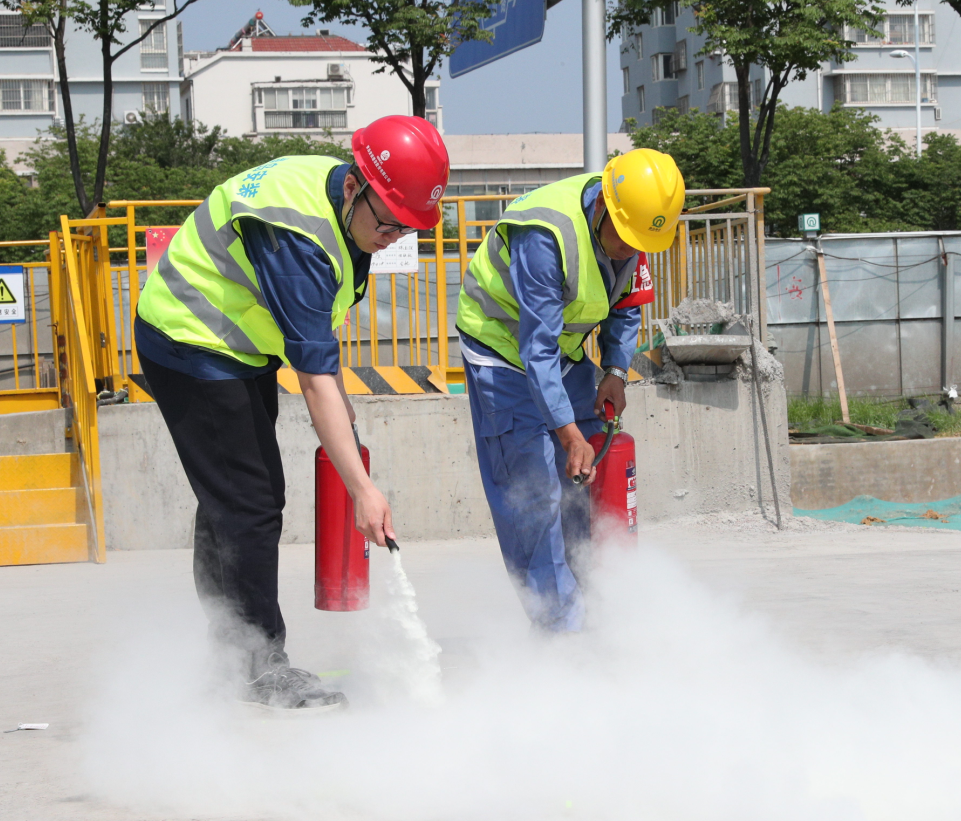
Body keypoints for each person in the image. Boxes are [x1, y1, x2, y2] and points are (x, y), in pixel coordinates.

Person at [134, 115, 450, 711]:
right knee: (251, 503)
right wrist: (362, 490)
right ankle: (257, 668)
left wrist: (342, 410)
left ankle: (229, 656)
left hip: (240, 343)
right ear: (355, 186)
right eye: (388, 224)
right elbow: (312, 379)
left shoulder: (344, 208)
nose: (393, 238)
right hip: (190, 338)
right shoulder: (297, 237)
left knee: (233, 498)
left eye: (407, 228)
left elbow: (320, 337)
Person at [456, 148, 685, 632]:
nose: (629, 250)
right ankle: (560, 634)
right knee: (533, 491)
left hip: (564, 351)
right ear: (602, 206)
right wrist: (567, 431)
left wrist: (616, 370)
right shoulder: (545, 237)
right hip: (503, 351)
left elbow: (625, 305)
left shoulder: (634, 219)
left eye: (639, 244)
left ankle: (589, 608)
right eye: (624, 240)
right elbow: (535, 348)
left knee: (579, 483)